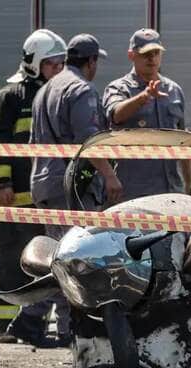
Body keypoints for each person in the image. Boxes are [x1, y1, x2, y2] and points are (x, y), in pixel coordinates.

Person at [29, 33, 123, 340]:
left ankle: (30, 319)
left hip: (44, 184)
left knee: (55, 258)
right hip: (69, 189)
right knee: (75, 260)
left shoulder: (46, 89)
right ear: (91, 61)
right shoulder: (80, 90)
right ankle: (69, 328)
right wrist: (109, 175)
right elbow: (88, 140)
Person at [0, 29, 67, 347]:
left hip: (42, 201)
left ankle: (31, 323)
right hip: (13, 199)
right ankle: (5, 324)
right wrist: (3, 182)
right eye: (51, 63)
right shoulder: (11, 96)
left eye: (59, 63)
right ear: (34, 63)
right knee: (10, 261)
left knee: (41, 262)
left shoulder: (54, 95)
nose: (56, 69)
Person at [102, 28, 191, 200]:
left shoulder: (174, 90)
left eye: (156, 53)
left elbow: (183, 140)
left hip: (171, 190)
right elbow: (115, 115)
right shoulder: (119, 88)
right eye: (145, 54)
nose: (152, 58)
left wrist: (187, 184)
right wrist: (144, 97)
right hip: (134, 193)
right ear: (131, 55)